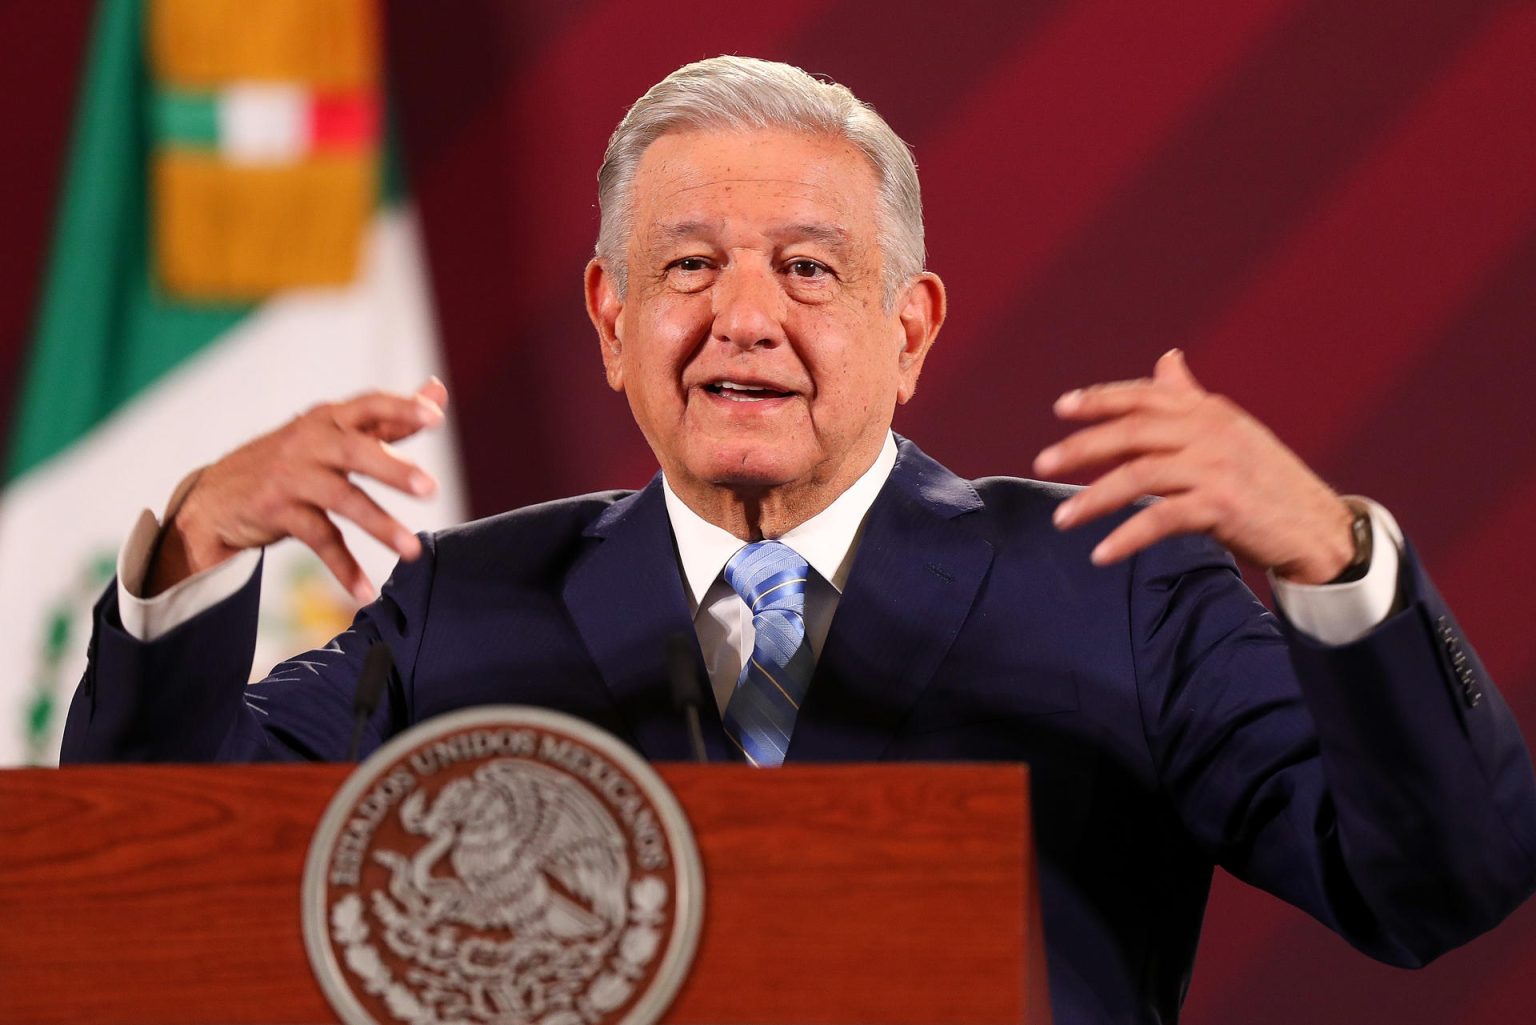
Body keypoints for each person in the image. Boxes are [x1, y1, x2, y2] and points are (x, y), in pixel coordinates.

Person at [62, 56, 1536, 1025]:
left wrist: (1339, 571)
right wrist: (190, 559)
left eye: (809, 269)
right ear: (612, 323)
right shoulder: (466, 606)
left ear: (911, 332)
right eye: (687, 267)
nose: (743, 316)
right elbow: (143, 904)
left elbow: (1442, 886)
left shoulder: (1120, 587)